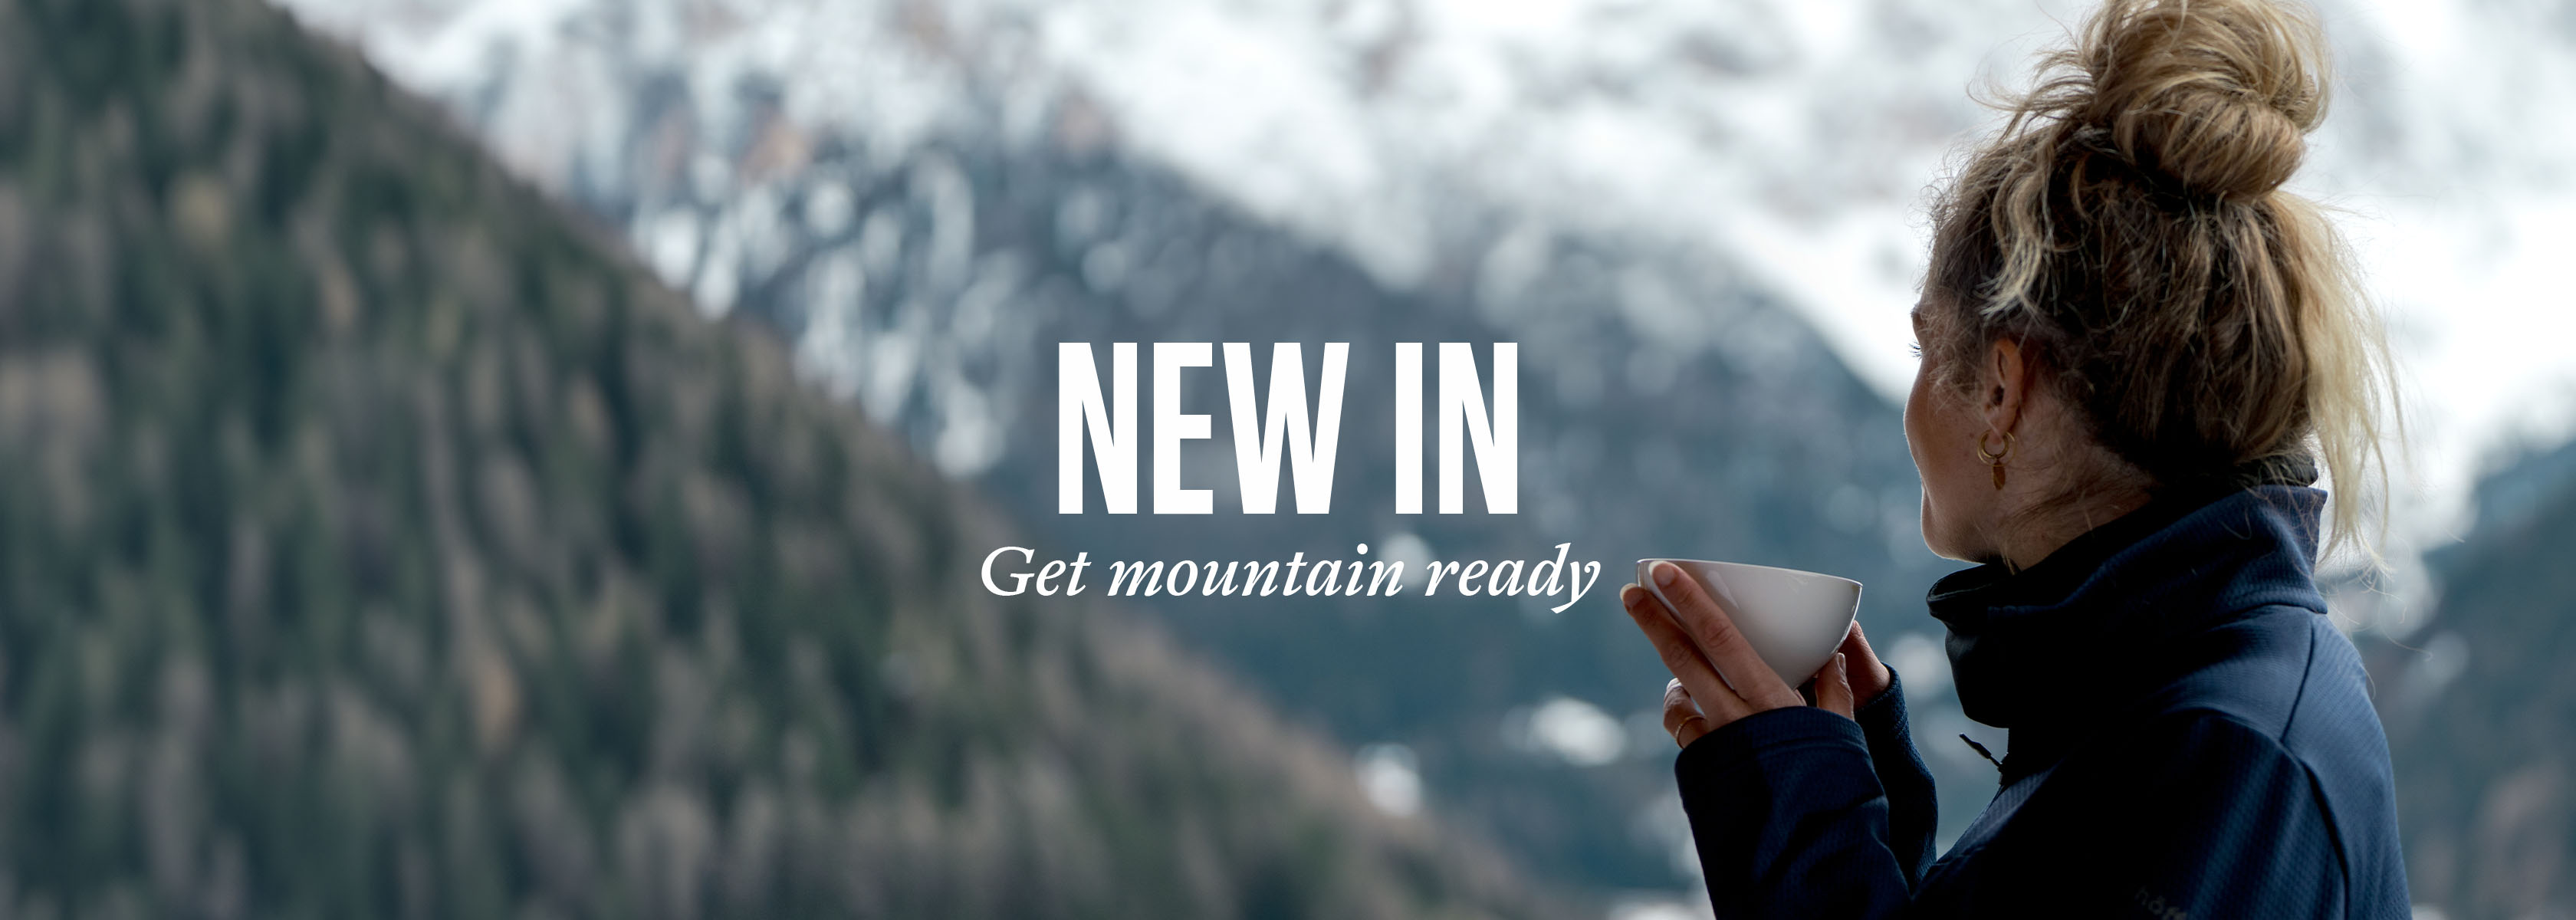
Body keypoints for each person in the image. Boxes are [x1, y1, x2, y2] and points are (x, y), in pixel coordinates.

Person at [1616, 0, 2413, 915]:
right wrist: (1867, 808)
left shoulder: (2221, 760)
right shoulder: (2177, 702)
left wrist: (1800, 834)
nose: (1913, 405)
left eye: (1927, 352)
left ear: (2001, 389)